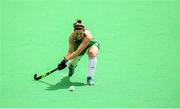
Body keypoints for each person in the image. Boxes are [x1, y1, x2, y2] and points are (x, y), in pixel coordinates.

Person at [57, 19, 100, 85]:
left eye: (80, 33)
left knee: (92, 53)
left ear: (83, 31)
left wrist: (66, 60)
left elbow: (77, 51)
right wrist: (63, 61)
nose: (79, 35)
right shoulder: (71, 37)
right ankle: (71, 67)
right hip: (79, 46)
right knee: (73, 63)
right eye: (77, 33)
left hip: (91, 45)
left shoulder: (88, 36)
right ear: (74, 32)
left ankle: (89, 77)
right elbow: (70, 51)